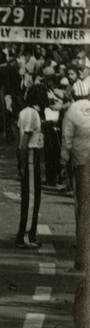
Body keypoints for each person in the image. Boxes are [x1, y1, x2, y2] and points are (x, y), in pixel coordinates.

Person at [62, 80, 90, 271]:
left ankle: (81, 254)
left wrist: (63, 160)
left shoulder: (71, 111)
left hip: (79, 162)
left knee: (80, 205)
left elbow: (67, 139)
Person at [15, 86, 45, 249]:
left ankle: (28, 234)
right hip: (30, 154)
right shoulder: (30, 113)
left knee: (33, 195)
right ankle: (25, 236)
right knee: (32, 197)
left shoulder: (30, 112)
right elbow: (25, 139)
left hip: (32, 154)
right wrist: (21, 161)